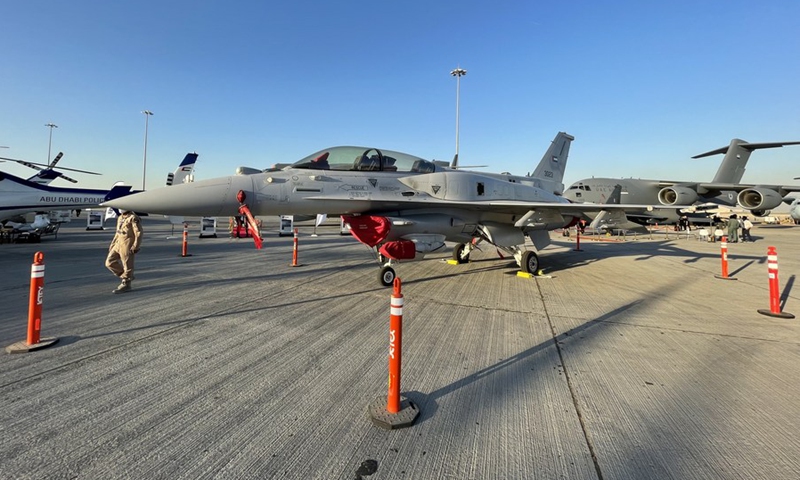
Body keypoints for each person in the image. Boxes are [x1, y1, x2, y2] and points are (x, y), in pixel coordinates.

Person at [105, 209, 143, 294]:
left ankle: (126, 284)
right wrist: (113, 243)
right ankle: (125, 276)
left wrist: (136, 246)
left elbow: (138, 233)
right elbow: (117, 232)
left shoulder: (133, 218)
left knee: (127, 264)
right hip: (118, 243)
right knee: (109, 262)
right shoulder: (120, 217)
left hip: (127, 244)